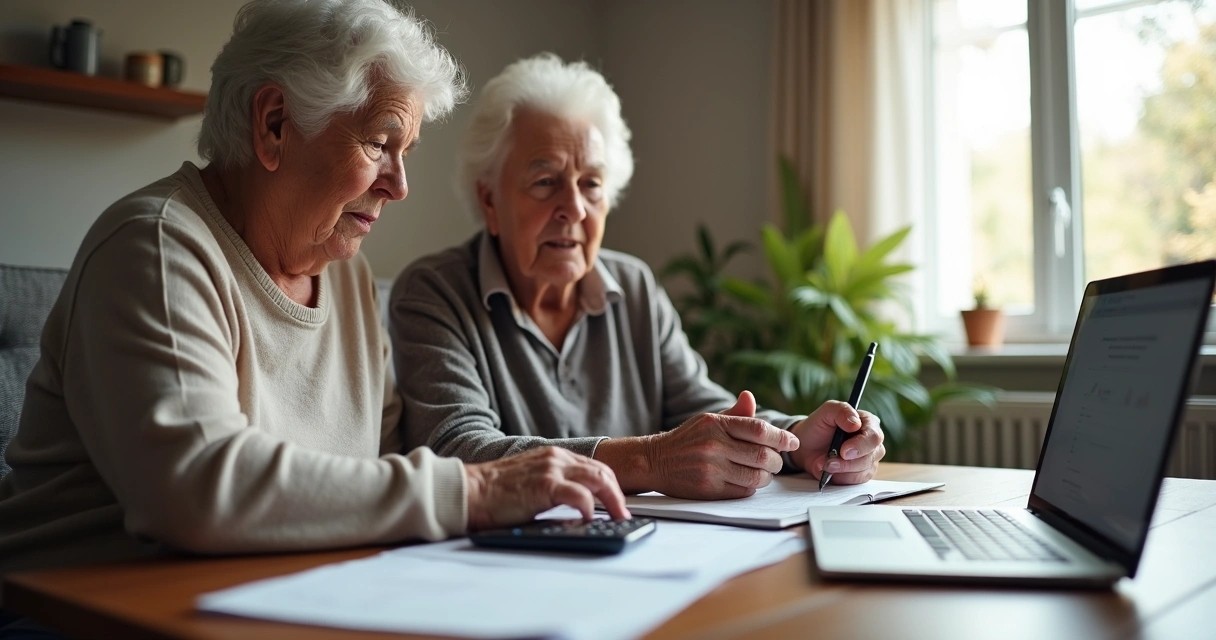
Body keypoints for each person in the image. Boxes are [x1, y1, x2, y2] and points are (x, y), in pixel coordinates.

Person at [0, 2, 629, 623]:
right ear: (274, 124)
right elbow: (197, 491)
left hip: (272, 600)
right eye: (380, 144)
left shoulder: (345, 274)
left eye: (405, 151)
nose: (399, 185)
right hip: (76, 614)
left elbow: (387, 469)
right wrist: (479, 490)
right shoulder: (156, 247)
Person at [390, 53, 886, 500]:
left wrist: (798, 439)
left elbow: (703, 410)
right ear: (490, 200)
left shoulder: (633, 286)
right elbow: (458, 451)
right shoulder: (435, 292)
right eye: (545, 182)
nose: (574, 209)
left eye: (591, 184)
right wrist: (650, 460)